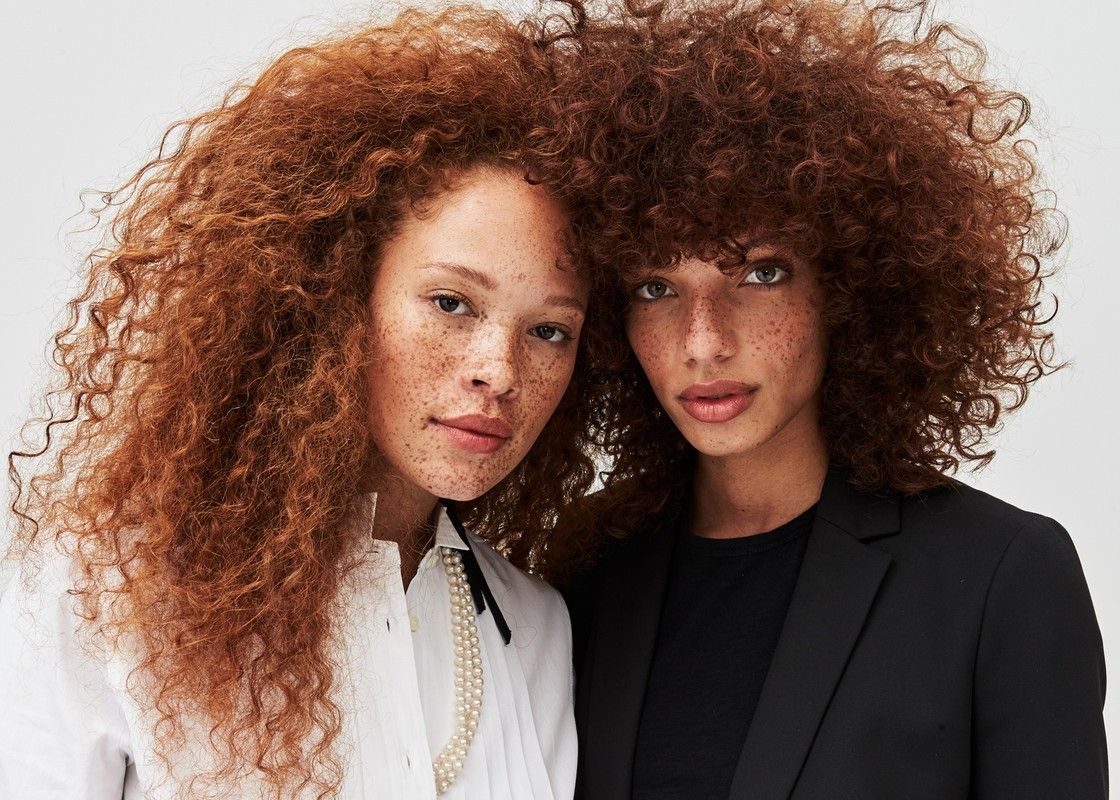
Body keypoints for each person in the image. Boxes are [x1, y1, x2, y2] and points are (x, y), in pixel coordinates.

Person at [0, 7, 605, 799]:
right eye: (452, 303)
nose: (499, 371)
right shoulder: (110, 589)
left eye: (550, 331)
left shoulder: (533, 628)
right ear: (338, 297)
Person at [549, 1, 1109, 798]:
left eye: (761, 273)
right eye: (656, 286)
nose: (703, 341)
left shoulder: (999, 577)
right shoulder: (588, 576)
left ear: (848, 286)